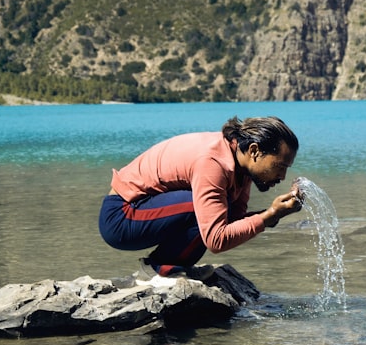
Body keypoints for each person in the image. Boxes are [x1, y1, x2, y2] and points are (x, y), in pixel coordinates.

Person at [99, 116, 303, 280]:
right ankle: (158, 268)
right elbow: (216, 239)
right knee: (202, 210)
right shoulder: (213, 163)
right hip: (121, 217)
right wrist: (269, 216)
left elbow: (232, 222)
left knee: (222, 210)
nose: (282, 177)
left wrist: (274, 215)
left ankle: (173, 267)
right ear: (254, 151)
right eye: (280, 166)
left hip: (144, 213)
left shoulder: (240, 165)